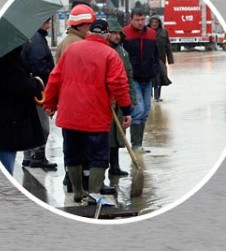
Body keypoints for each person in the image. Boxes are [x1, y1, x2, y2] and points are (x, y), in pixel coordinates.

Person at [42, 19, 132, 204]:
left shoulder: (72, 50)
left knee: (73, 153)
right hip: (95, 115)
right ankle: (94, 194)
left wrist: (50, 104)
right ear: (107, 34)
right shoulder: (110, 54)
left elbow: (55, 78)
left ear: (90, 32)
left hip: (70, 115)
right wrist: (126, 109)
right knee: (98, 155)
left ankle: (77, 192)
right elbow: (119, 84)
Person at [0, 46, 45, 175]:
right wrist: (37, 83)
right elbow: (19, 85)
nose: (29, 41)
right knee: (5, 163)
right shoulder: (5, 58)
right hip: (5, 122)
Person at [21, 18, 57, 170]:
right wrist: (49, 80)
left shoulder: (30, 36)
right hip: (38, 87)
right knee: (41, 125)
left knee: (30, 122)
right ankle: (38, 156)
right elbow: (39, 64)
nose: (49, 24)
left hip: (29, 86)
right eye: (46, 21)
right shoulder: (36, 39)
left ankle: (28, 156)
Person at [123, 8, 159, 153]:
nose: (140, 23)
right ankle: (136, 145)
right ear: (131, 19)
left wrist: (155, 71)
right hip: (133, 79)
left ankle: (139, 144)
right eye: (137, 20)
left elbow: (156, 55)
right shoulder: (124, 33)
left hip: (147, 77)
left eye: (142, 20)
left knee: (145, 112)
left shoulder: (151, 33)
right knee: (138, 111)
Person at [107, 17, 138, 176]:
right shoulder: (105, 50)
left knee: (118, 134)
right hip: (107, 100)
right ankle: (106, 167)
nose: (117, 36)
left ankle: (114, 165)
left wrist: (132, 98)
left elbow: (129, 75)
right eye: (113, 33)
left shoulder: (123, 52)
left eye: (119, 33)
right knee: (107, 135)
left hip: (121, 99)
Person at [148, 15, 174, 102]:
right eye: (153, 22)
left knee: (159, 78)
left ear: (159, 23)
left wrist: (170, 60)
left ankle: (157, 97)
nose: (154, 24)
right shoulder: (145, 32)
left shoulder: (164, 32)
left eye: (156, 22)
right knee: (149, 78)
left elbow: (168, 46)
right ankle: (149, 97)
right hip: (148, 60)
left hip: (160, 59)